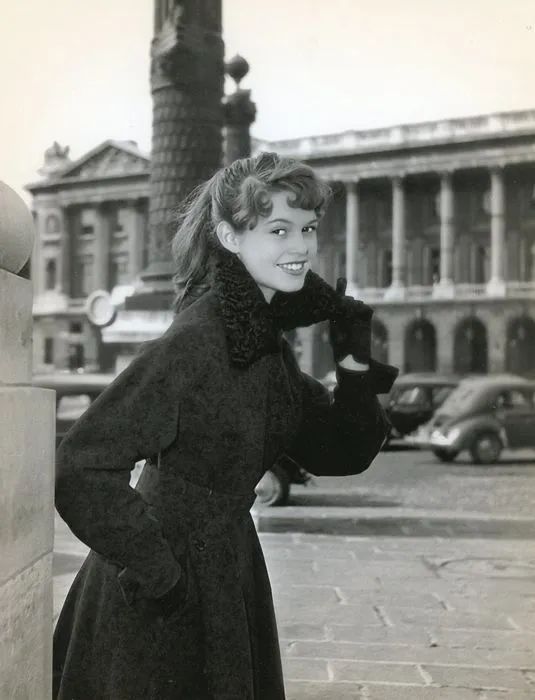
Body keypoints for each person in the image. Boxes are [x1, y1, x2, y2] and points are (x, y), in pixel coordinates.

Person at [53, 152, 398, 699]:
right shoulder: (199, 338)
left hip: (225, 569)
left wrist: (354, 360)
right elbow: (81, 464)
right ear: (230, 237)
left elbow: (340, 452)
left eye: (308, 228)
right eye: (278, 230)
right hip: (162, 593)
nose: (301, 246)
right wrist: (159, 570)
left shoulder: (263, 343)